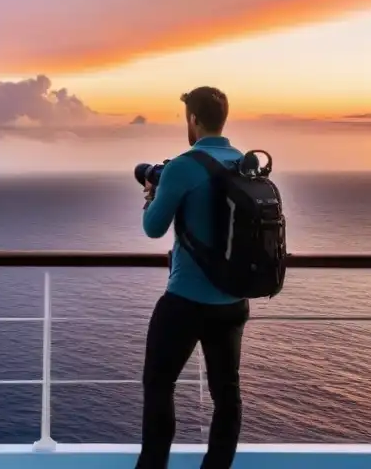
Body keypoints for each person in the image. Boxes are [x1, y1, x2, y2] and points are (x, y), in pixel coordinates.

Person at [135, 86, 250, 469]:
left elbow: (154, 229)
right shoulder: (244, 163)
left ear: (194, 120)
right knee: (227, 396)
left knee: (158, 385)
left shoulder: (184, 165)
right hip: (233, 301)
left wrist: (153, 195)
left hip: (185, 300)